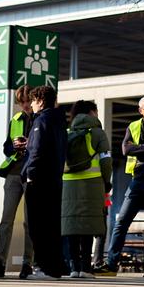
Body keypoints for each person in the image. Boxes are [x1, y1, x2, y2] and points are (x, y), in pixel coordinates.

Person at [101, 96, 144, 276]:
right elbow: (125, 150)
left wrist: (139, 148)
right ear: (140, 110)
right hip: (138, 178)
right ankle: (111, 264)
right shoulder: (132, 126)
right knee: (121, 222)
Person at [20, 84, 69, 278]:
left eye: (33, 100)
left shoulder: (42, 119)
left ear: (40, 101)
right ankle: (55, 267)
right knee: (52, 225)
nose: (31, 104)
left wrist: (30, 172)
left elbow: (38, 149)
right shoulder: (59, 121)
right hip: (54, 178)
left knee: (37, 226)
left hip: (39, 179)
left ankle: (43, 267)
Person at [62, 98, 108, 277]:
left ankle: (74, 268)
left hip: (68, 183)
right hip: (92, 183)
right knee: (88, 225)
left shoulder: (66, 132)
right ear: (90, 113)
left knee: (71, 224)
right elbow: (106, 161)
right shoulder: (98, 133)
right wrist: (107, 180)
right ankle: (85, 268)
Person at [0, 87, 34, 277]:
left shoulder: (39, 120)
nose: (25, 104)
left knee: (29, 222)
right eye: (22, 101)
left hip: (31, 174)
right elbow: (6, 147)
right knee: (6, 220)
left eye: (28, 100)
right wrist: (14, 146)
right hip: (13, 172)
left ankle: (27, 264)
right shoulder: (15, 120)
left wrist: (29, 145)